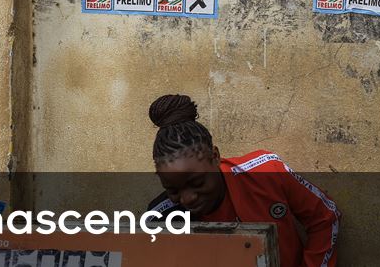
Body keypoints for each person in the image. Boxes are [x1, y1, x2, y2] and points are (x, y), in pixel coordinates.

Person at [146, 94, 340, 267]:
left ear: (215, 157)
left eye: (197, 183)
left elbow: (325, 216)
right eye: (173, 191)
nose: (187, 199)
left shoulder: (265, 172)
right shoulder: (162, 219)